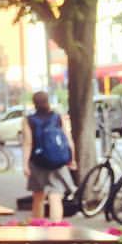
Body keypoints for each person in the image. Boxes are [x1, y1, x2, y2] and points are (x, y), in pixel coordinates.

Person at [22, 91, 76, 221]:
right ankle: (56, 230)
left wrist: (25, 164)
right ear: (48, 101)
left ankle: (38, 228)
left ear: (34, 103)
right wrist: (72, 159)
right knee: (55, 196)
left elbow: (28, 143)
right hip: (57, 161)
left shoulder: (28, 120)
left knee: (38, 196)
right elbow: (68, 139)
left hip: (37, 161)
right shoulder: (58, 117)